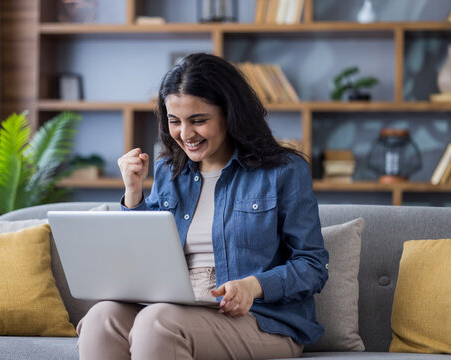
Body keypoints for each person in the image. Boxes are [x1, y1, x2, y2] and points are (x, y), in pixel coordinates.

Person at [76, 53, 329, 360]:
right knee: (101, 318)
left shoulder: (284, 171)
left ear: (229, 114)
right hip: (178, 307)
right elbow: (145, 257)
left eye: (198, 120)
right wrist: (133, 194)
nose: (185, 134)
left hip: (261, 319)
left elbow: (313, 265)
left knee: (157, 324)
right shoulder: (169, 172)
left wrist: (253, 286)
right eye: (174, 121)